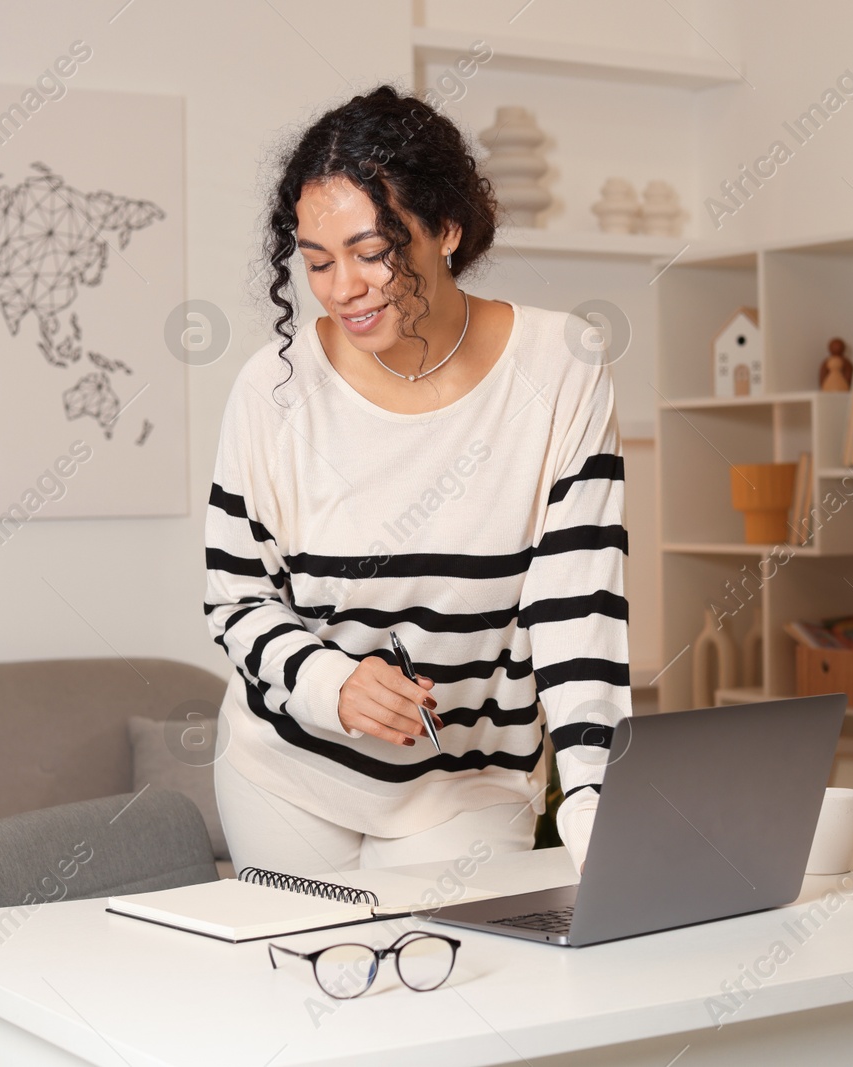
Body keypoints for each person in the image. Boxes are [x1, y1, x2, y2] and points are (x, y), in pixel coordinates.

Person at [204, 84, 630, 881]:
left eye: (372, 253)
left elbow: (579, 608)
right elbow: (235, 594)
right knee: (305, 989)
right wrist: (333, 684)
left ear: (445, 230)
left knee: (458, 992)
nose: (341, 289)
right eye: (317, 260)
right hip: (290, 775)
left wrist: (593, 793)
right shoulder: (274, 389)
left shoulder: (561, 367)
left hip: (471, 781)